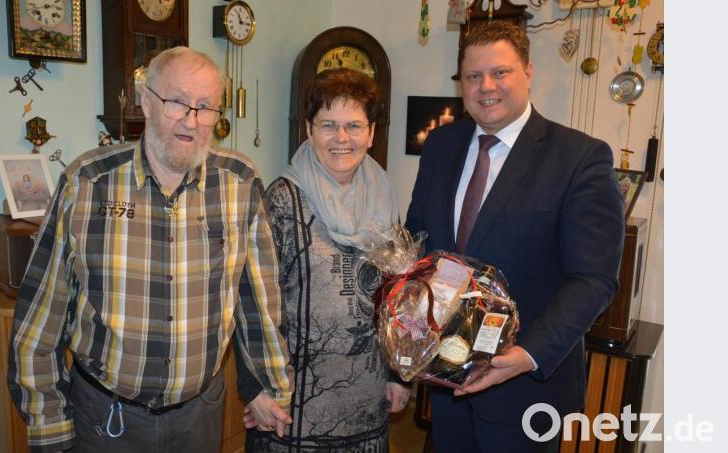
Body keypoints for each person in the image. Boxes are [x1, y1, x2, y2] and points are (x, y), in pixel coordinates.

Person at [7, 46, 293, 453]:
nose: (191, 120)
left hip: (200, 415)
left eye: (205, 106)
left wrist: (271, 386)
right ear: (145, 100)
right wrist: (47, 422)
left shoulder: (240, 183)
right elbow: (42, 316)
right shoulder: (87, 182)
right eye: (177, 101)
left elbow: (259, 301)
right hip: (104, 417)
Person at [405, 21, 625, 452]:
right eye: (473, 76)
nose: (486, 87)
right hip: (448, 382)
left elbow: (594, 279)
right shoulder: (440, 145)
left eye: (500, 72)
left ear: (528, 72)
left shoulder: (580, 157)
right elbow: (419, 242)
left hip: (526, 390)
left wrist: (525, 356)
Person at [237, 68, 411, 452]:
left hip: (368, 403)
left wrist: (400, 375)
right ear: (308, 129)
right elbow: (250, 300)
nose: (341, 138)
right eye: (328, 125)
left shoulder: (384, 197)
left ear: (371, 132)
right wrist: (255, 389)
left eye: (354, 125)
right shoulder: (281, 199)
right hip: (293, 407)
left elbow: (398, 298)